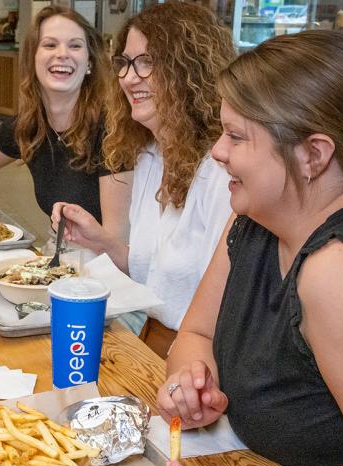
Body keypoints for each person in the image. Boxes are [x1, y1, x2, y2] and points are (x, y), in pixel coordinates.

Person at [154, 31, 343, 466]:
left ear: (313, 155)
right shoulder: (255, 219)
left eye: (237, 136)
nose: (217, 152)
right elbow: (196, 331)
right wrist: (192, 378)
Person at [49, 2, 235, 356]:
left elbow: (226, 309)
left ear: (190, 70)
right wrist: (101, 241)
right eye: (126, 63)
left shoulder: (222, 170)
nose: (129, 78)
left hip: (200, 361)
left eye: (147, 63)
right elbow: (154, 272)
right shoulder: (150, 155)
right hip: (151, 339)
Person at [0, 6, 111, 228]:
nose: (62, 53)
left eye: (75, 45)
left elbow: (116, 241)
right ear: (33, 58)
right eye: (50, 44)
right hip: (65, 254)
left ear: (89, 63)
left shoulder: (110, 130)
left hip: (108, 260)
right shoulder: (30, 126)